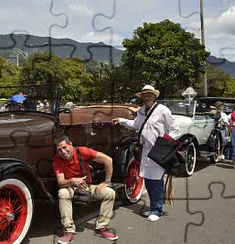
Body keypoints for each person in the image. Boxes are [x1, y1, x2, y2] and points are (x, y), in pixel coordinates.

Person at [112, 84, 180, 222]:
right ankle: (154, 206)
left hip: (158, 151)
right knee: (148, 181)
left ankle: (157, 210)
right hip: (145, 150)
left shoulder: (162, 110)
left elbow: (175, 129)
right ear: (142, 97)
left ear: (154, 96)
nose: (147, 97)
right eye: (145, 95)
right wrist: (122, 121)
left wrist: (165, 145)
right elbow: (136, 125)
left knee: (156, 181)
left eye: (149, 94)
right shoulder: (142, 111)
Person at [52, 135, 118, 244]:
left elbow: (108, 160)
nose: (63, 152)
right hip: (70, 187)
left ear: (71, 144)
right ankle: (69, 230)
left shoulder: (82, 151)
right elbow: (61, 182)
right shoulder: (57, 160)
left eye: (64, 147)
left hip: (87, 186)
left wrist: (106, 182)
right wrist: (73, 181)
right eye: (59, 150)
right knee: (62, 192)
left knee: (110, 193)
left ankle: (101, 228)